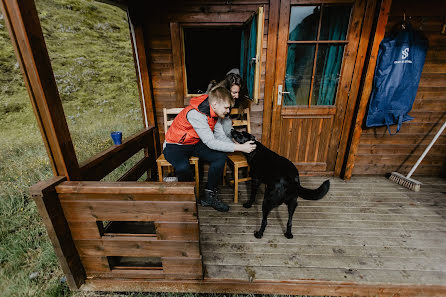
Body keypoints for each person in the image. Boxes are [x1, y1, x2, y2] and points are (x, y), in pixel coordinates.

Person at [163, 86, 256, 212]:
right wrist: (240, 147)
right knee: (183, 168)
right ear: (216, 104)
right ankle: (188, 200)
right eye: (227, 107)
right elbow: (211, 142)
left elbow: (219, 136)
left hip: (194, 142)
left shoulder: (214, 112)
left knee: (220, 157)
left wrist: (235, 143)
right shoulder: (196, 114)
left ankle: (209, 196)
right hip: (175, 145)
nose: (228, 111)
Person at [206, 68, 252, 137]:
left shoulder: (229, 101)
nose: (237, 96)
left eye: (238, 92)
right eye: (234, 92)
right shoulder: (217, 99)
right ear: (226, 90)